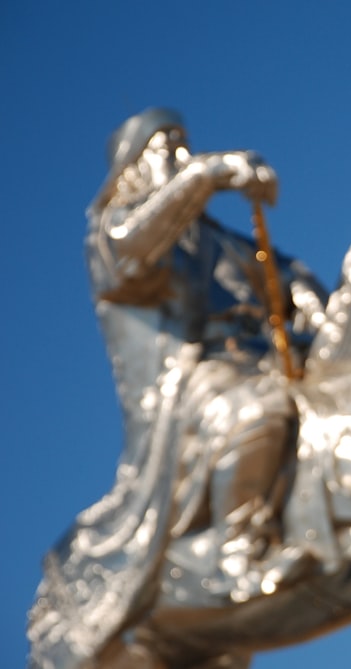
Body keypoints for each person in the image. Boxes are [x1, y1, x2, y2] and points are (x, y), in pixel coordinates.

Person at [28, 108, 329, 668]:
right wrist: (211, 175)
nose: (183, 158)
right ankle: (239, 549)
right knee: (255, 411)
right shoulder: (114, 232)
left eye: (186, 147)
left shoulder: (221, 241)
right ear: (134, 167)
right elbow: (136, 248)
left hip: (263, 361)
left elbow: (283, 271)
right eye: (170, 147)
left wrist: (308, 294)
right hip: (194, 383)